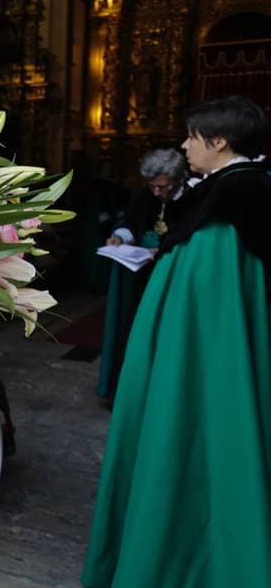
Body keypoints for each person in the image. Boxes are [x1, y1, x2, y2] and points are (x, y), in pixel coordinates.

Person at [82, 96, 271, 588]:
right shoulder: (230, 191)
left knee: (191, 438)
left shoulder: (233, 196)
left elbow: (210, 301)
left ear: (218, 142)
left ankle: (182, 582)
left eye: (192, 137)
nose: (185, 147)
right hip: (193, 340)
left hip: (205, 358)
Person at [95, 148, 188, 402]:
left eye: (164, 187)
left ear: (179, 180)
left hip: (173, 273)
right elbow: (132, 223)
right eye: (153, 186)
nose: (158, 192)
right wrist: (120, 237)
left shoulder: (191, 198)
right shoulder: (143, 194)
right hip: (141, 274)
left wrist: (165, 250)